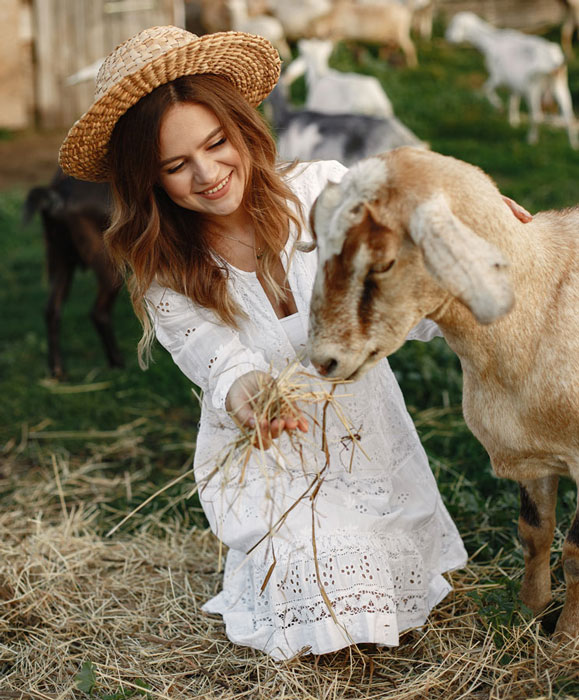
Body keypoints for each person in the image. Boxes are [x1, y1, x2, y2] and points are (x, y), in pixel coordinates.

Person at [59, 26, 530, 660]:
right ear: (149, 179)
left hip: (366, 440)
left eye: (216, 143)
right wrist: (249, 392)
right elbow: (214, 356)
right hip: (273, 464)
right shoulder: (164, 269)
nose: (206, 174)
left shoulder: (323, 191)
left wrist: (466, 238)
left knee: (379, 604)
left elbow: (401, 293)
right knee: (329, 611)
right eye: (175, 166)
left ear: (242, 128)